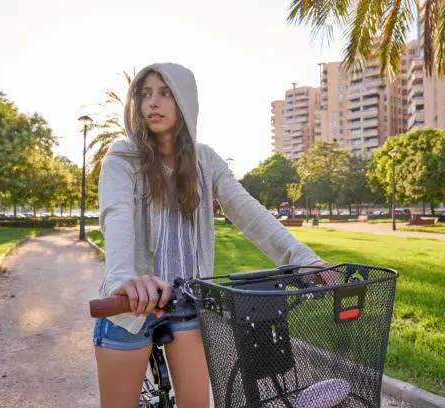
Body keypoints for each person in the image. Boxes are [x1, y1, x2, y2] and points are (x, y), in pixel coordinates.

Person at [93, 62, 333, 408]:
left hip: (186, 302)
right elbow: (115, 215)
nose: (152, 104)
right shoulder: (123, 156)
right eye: (144, 95)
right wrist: (123, 279)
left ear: (185, 101)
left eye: (165, 93)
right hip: (130, 304)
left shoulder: (206, 161)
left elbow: (250, 213)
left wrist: (304, 260)